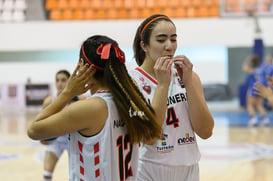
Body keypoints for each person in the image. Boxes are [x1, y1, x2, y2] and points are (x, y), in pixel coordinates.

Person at [27, 35, 162, 181]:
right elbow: (152, 137)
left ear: (84, 67)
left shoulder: (90, 108)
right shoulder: (129, 101)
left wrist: (67, 93)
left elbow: (33, 131)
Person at [129, 14, 214, 181]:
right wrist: (162, 86)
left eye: (173, 39)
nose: (169, 46)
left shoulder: (189, 76)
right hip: (148, 168)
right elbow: (149, 137)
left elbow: (206, 131)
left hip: (189, 168)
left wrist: (189, 83)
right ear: (144, 46)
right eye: (161, 40)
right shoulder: (133, 81)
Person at [40, 69, 85, 181]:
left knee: (78, 174)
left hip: (74, 140)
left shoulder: (81, 100)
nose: (60, 83)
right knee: (46, 174)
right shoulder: (49, 101)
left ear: (69, 81)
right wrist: (42, 136)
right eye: (57, 80)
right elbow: (41, 122)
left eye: (63, 80)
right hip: (56, 140)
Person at [242, 54, 270, 126]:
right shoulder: (262, 70)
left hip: (253, 89)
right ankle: (265, 119)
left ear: (252, 62)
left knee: (250, 104)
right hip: (260, 89)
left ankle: (253, 119)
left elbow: (244, 67)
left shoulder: (252, 69)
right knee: (259, 105)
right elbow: (266, 79)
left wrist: (247, 60)